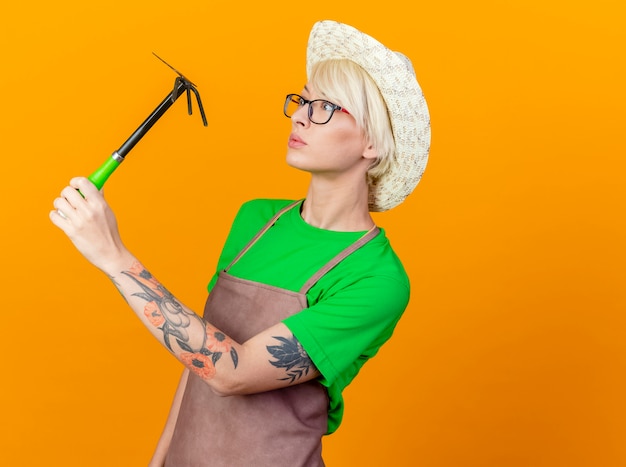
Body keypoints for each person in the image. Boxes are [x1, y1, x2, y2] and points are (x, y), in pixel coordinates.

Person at [50, 20, 430, 467]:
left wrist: (114, 258)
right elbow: (198, 354)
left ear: (372, 143)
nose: (300, 115)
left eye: (325, 106)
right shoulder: (256, 219)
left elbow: (231, 372)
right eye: (302, 100)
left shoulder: (376, 278)